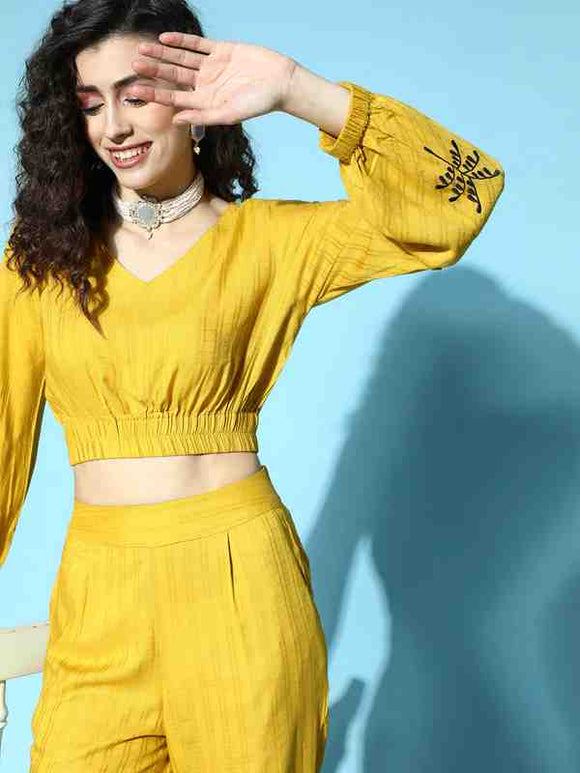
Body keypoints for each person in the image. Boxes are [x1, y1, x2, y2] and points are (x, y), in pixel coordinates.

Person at [0, 0, 505, 769]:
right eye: (93, 104)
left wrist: (300, 89)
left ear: (196, 104)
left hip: (241, 586)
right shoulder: (40, 262)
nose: (115, 126)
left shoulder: (270, 241)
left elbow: (458, 201)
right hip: (98, 594)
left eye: (137, 95)